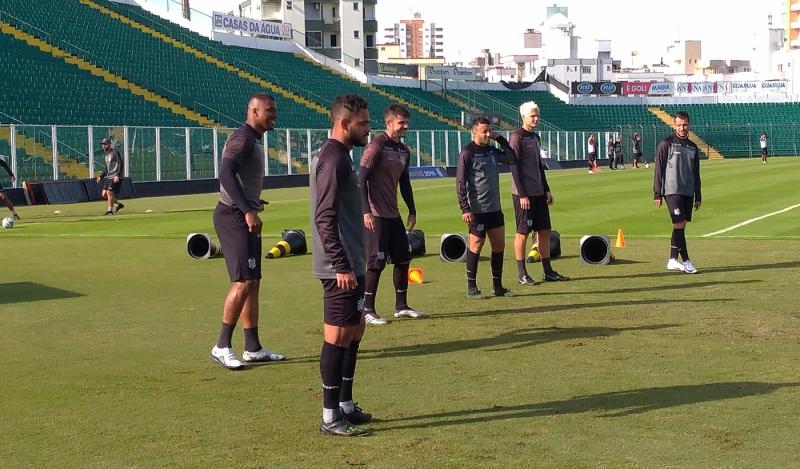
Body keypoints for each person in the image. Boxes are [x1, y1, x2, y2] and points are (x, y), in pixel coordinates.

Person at [311, 94, 373, 436]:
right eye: (362, 123)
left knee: (353, 332)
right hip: (340, 266)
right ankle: (330, 416)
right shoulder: (332, 159)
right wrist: (341, 264)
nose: (367, 128)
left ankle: (346, 404)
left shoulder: (342, 157)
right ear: (343, 123)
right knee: (336, 337)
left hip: (353, 260)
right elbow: (323, 217)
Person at [209, 93, 285, 370]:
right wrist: (246, 209)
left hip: (243, 213)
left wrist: (252, 201)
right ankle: (221, 345)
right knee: (242, 282)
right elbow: (226, 173)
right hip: (233, 217)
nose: (274, 114)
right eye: (269, 110)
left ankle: (252, 347)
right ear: (253, 111)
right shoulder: (242, 138)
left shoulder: (254, 139)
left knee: (253, 282)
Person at [359, 104, 425, 325]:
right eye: (401, 123)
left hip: (393, 214)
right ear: (388, 123)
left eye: (406, 123)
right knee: (376, 262)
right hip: (375, 214)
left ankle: (401, 306)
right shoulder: (376, 146)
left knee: (403, 258)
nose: (405, 127)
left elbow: (405, 183)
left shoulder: (404, 151)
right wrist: (365, 211)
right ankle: (367, 309)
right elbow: (362, 178)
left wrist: (412, 209)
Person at [509, 101, 569, 285]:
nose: (536, 118)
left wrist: (547, 189)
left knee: (544, 231)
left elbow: (539, 167)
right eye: (532, 116)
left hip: (539, 193)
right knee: (522, 233)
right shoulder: (516, 138)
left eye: (537, 115)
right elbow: (514, 168)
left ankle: (548, 272)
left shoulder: (535, 138)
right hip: (524, 195)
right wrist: (523, 194)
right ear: (523, 117)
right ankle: (522, 274)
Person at [456, 116, 516, 299]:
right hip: (477, 211)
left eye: (490, 131)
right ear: (475, 132)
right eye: (485, 131)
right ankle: (471, 287)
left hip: (495, 209)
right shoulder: (467, 153)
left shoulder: (491, 150)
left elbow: (513, 157)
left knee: (499, 246)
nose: (488, 134)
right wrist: (465, 208)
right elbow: (460, 182)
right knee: (476, 245)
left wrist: (500, 138)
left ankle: (497, 287)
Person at [653, 110, 701, 274]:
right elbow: (659, 169)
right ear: (674, 125)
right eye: (679, 125)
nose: (682, 128)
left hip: (688, 191)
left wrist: (698, 195)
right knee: (678, 223)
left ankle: (672, 260)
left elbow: (696, 173)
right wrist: (657, 193)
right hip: (672, 191)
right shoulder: (666, 144)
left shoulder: (693, 147)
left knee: (680, 226)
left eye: (685, 124)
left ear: (689, 125)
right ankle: (686, 261)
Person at [96, 138, 125, 215]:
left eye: (105, 144)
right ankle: (119, 204)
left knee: (109, 192)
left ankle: (109, 211)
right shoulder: (106, 155)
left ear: (109, 144)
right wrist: (101, 177)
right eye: (102, 144)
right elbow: (106, 168)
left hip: (115, 176)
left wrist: (117, 175)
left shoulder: (115, 152)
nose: (103, 146)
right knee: (104, 195)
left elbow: (121, 164)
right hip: (109, 177)